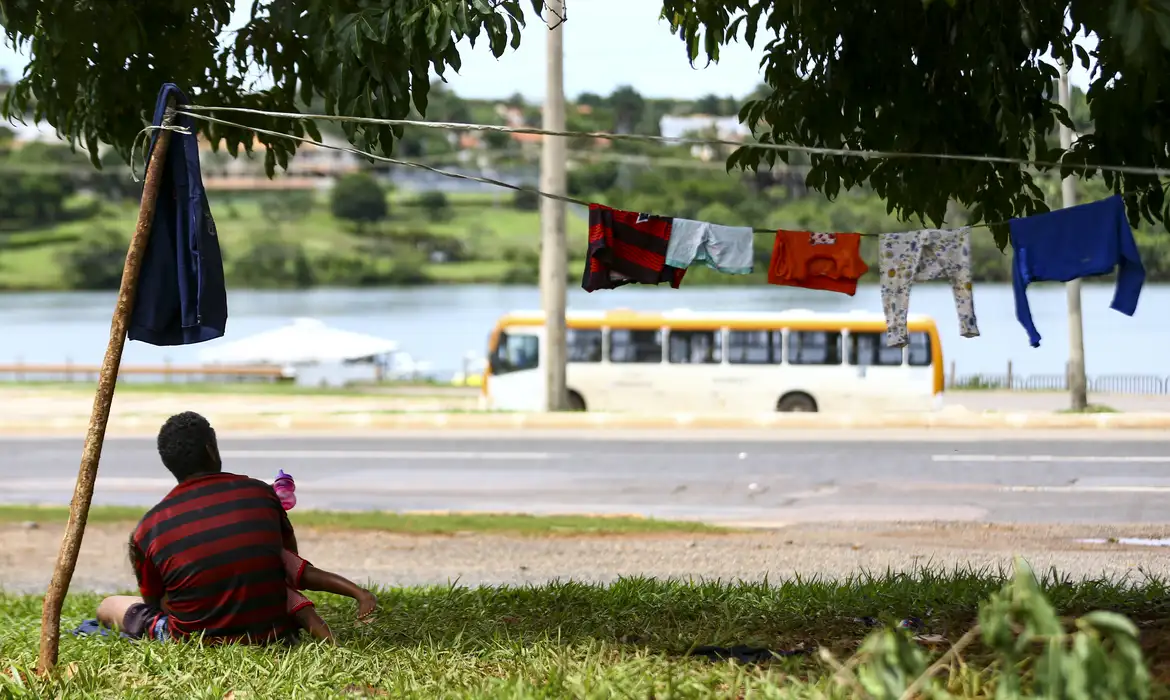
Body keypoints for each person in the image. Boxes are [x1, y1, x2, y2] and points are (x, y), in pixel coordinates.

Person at [96, 411, 376, 643]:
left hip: (198, 639)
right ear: (211, 449)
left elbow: (154, 600)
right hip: (275, 630)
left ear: (168, 463)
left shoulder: (150, 528)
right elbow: (287, 558)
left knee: (109, 605)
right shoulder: (260, 493)